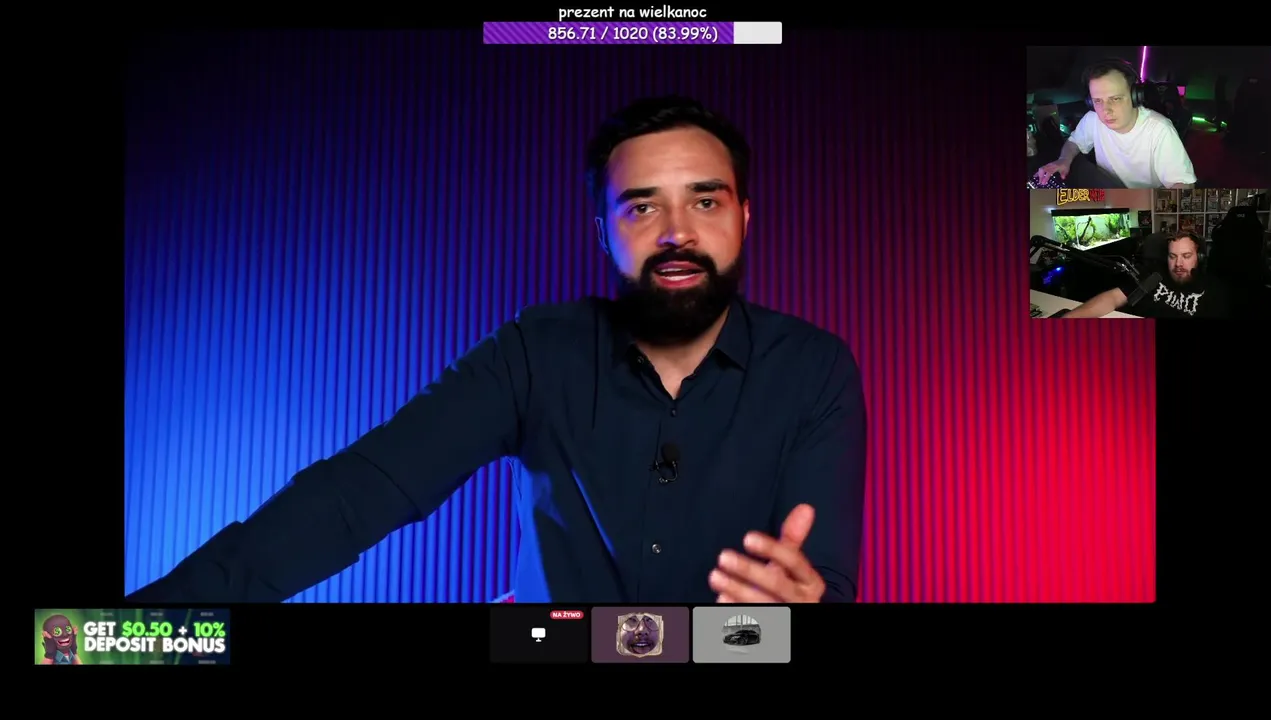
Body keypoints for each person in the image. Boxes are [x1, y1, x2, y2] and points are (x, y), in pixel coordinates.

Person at [128, 95, 868, 605]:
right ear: (603, 232)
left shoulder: (815, 369)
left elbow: (819, 589)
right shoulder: (537, 349)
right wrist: (142, 632)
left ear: (744, 216)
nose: (677, 231)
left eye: (705, 200)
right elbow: (358, 494)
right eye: (641, 206)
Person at [1035, 58, 1196, 189]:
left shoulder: (1160, 129)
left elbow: (1183, 184)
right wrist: (1064, 159)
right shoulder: (1093, 119)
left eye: (1116, 99)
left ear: (1135, 96)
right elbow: (1074, 143)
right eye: (1098, 101)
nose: (1106, 110)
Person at [1063, 231, 1230, 318]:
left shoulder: (1214, 291)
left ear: (1199, 258)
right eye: (1172, 256)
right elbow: (1113, 298)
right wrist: (1068, 319)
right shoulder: (1152, 274)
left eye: (1186, 256)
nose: (1178, 263)